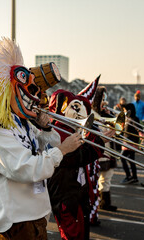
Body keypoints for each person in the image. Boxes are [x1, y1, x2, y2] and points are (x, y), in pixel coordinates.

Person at [0, 37, 82, 239]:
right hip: (15, 218)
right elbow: (26, 168)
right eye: (29, 89)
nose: (36, 96)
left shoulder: (23, 125)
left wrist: (44, 127)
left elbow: (48, 144)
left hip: (35, 212)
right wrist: (62, 150)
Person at [47, 89, 110, 240]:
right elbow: (75, 158)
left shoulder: (71, 129)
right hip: (65, 196)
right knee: (73, 235)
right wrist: (99, 143)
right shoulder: (56, 131)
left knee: (81, 233)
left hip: (77, 193)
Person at [92, 86, 118, 212]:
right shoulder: (93, 115)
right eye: (102, 100)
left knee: (107, 179)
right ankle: (95, 205)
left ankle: (105, 202)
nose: (105, 103)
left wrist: (110, 117)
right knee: (95, 180)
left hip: (109, 152)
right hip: (99, 153)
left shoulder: (106, 115)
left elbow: (116, 132)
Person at [120, 103, 140, 184]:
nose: (124, 111)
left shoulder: (133, 119)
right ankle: (134, 177)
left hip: (131, 142)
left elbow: (138, 129)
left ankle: (129, 176)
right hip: (127, 141)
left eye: (125, 110)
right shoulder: (127, 118)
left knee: (122, 158)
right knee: (131, 160)